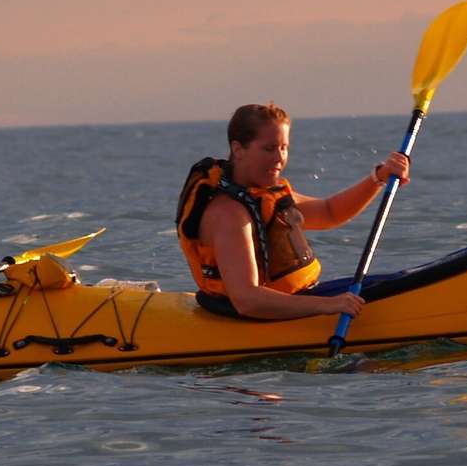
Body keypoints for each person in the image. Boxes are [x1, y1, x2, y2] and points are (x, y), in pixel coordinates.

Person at [175, 103, 410, 320]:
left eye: (283, 147)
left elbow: (329, 212)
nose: (279, 158)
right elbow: (246, 300)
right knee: (396, 288)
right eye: (269, 149)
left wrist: (378, 178)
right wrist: (326, 306)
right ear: (238, 149)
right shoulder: (229, 215)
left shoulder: (263, 194)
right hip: (254, 318)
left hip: (301, 299)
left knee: (401, 281)